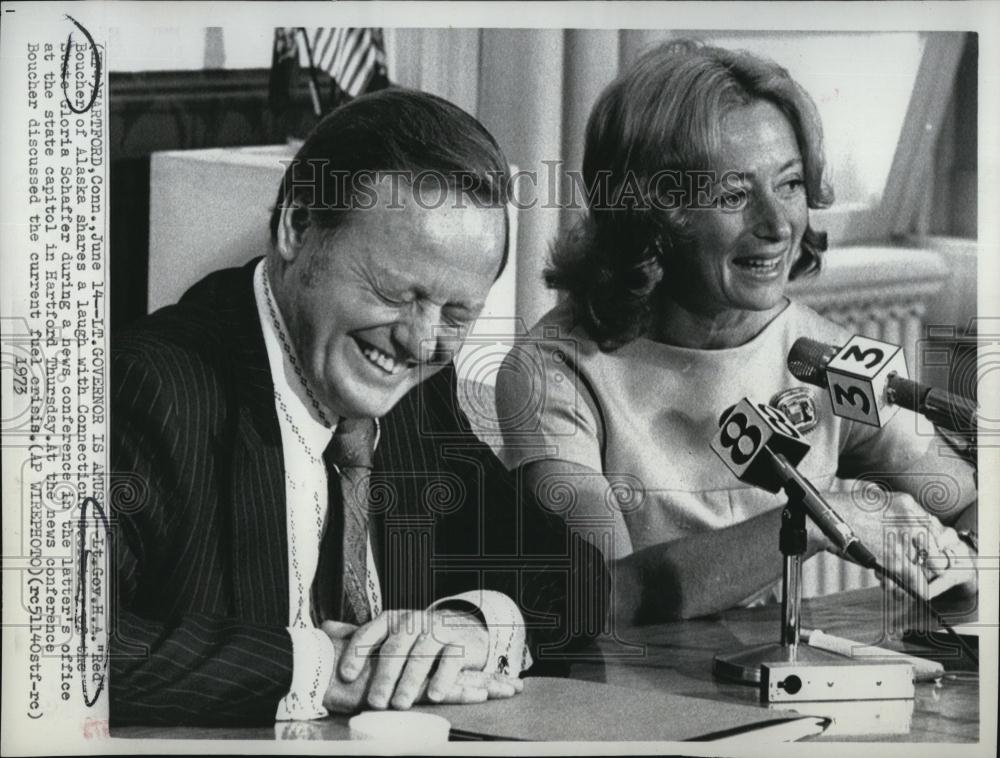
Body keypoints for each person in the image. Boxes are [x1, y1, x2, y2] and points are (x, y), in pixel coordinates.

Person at [110, 89, 602, 726]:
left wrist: (473, 626)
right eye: (398, 292)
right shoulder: (145, 388)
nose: (423, 340)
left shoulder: (422, 394)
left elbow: (577, 578)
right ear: (297, 226)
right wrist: (317, 670)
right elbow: (57, 647)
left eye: (458, 314)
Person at [495, 40, 977, 624]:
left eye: (791, 184)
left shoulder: (822, 355)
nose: (777, 225)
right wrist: (825, 514)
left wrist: (961, 568)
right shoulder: (554, 372)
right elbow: (605, 594)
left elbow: (968, 502)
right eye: (733, 194)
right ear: (653, 214)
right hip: (624, 693)